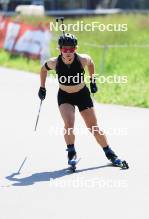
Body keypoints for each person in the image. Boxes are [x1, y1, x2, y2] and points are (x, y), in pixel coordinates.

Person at [38, 33, 128, 169]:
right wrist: (42, 87)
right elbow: (43, 69)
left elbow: (91, 63)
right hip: (65, 96)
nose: (68, 53)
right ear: (60, 49)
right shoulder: (54, 62)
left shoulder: (82, 60)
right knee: (68, 125)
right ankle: (71, 153)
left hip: (82, 95)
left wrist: (93, 80)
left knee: (93, 127)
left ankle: (110, 153)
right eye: (64, 49)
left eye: (71, 49)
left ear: (76, 48)